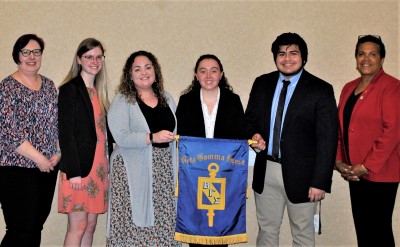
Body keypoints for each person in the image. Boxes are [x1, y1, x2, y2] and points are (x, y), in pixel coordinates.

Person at [245, 32, 338, 246]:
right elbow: (249, 119)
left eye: (293, 53)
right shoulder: (262, 83)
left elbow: (328, 139)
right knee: (267, 231)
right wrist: (254, 134)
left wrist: (320, 181)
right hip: (266, 170)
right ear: (275, 57)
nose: (287, 58)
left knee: (302, 234)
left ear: (303, 58)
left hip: (305, 176)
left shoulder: (321, 89)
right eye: (281, 53)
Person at [106, 50, 180, 246]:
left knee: (163, 221)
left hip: (163, 171)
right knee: (135, 223)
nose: (143, 72)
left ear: (155, 71)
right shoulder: (123, 99)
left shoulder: (167, 97)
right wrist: (151, 137)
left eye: (148, 67)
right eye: (137, 69)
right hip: (132, 171)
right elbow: (120, 136)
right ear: (129, 75)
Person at [175, 54, 246, 247]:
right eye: (203, 71)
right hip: (193, 179)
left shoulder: (233, 101)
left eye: (214, 71)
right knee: (196, 227)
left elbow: (240, 138)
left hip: (224, 178)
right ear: (196, 75)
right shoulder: (186, 101)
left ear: (221, 74)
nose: (208, 75)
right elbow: (180, 140)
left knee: (219, 228)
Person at [335, 35, 400, 247]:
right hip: (354, 173)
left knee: (379, 232)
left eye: (373, 54)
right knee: (364, 231)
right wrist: (339, 162)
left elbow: (392, 132)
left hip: (381, 173)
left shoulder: (392, 87)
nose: (366, 58)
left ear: (382, 59)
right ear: (356, 58)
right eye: (361, 53)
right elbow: (340, 128)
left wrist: (366, 166)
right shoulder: (348, 88)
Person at [0, 34, 60, 246]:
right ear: (17, 56)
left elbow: (56, 123)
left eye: (36, 52)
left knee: (36, 226)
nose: (31, 56)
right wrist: (39, 159)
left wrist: (57, 153)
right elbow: (8, 131)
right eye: (26, 52)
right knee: (20, 229)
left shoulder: (49, 86)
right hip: (16, 168)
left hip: (47, 168)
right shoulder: (6, 87)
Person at [57, 38, 111, 246]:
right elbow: (66, 133)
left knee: (90, 226)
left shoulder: (100, 92)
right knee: (77, 227)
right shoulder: (70, 89)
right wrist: (74, 172)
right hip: (79, 170)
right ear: (79, 59)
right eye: (89, 57)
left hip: (97, 170)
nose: (94, 61)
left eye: (99, 57)